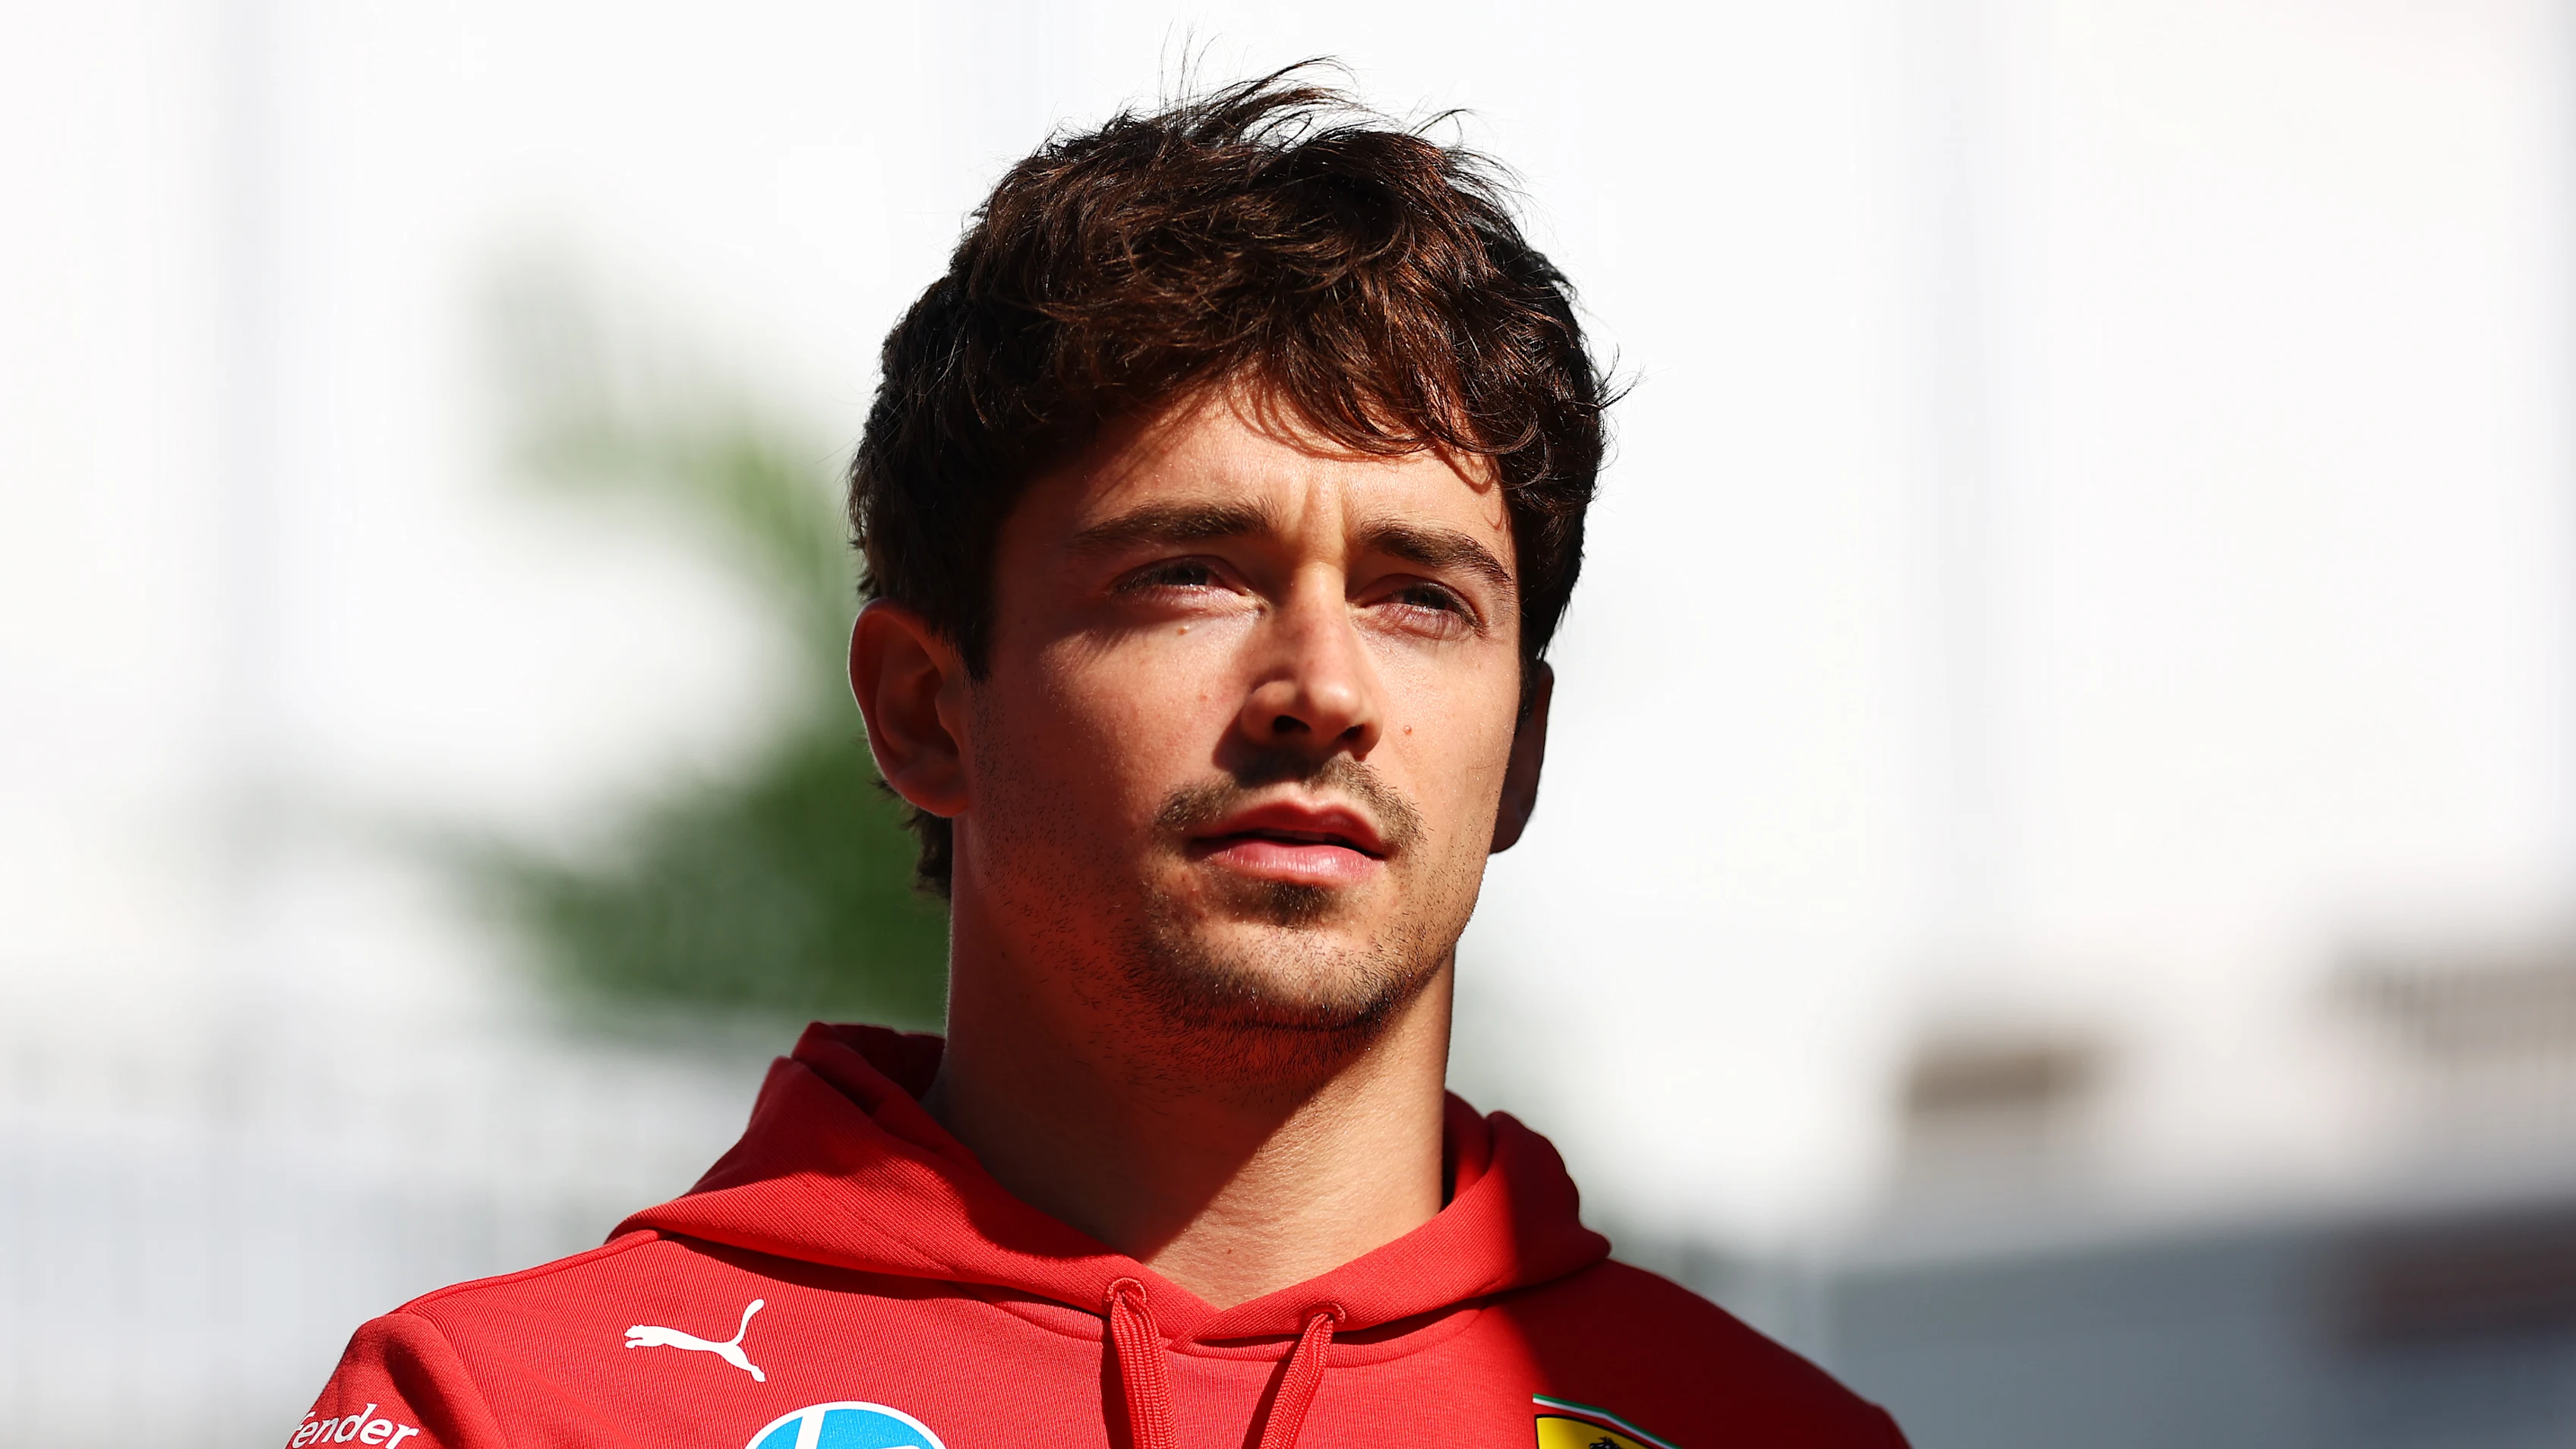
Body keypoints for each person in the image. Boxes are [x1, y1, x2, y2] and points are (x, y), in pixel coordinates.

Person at [294, 71, 1907, 1449]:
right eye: (1188, 574)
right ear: (928, 709)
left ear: (1522, 749)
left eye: (1420, 599)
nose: (1320, 687)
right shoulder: (507, 1414)